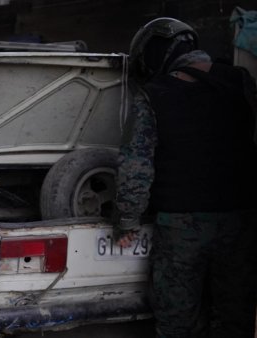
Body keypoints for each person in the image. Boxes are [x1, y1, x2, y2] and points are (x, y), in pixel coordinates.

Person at [114, 17, 257, 338]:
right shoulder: (242, 82)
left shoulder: (154, 94)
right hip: (241, 224)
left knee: (178, 320)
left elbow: (136, 165)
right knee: (236, 317)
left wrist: (127, 221)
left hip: (181, 229)